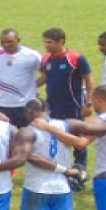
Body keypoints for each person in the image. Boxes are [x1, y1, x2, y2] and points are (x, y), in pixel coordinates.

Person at [38, 27, 94, 190]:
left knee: (76, 140)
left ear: (61, 41)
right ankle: (59, 168)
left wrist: (89, 103)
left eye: (49, 42)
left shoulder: (75, 58)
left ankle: (80, 172)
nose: (46, 46)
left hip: (73, 106)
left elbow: (89, 80)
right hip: (52, 106)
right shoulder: (46, 59)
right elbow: (45, 78)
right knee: (54, 137)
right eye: (45, 42)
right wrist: (29, 86)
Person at [0, 28, 42, 128]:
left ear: (18, 40)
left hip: (25, 104)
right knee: (4, 134)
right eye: (3, 42)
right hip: (2, 104)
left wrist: (33, 86)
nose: (6, 45)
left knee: (25, 135)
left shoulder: (31, 55)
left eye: (9, 42)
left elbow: (46, 73)